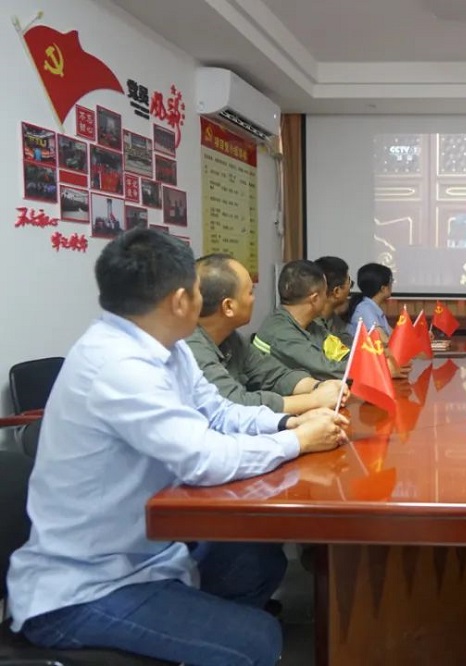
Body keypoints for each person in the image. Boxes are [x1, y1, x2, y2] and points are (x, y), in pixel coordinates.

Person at [6, 229, 350, 665]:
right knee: (258, 638)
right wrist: (297, 441)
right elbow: (204, 458)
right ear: (180, 299)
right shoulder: (117, 365)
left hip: (148, 554)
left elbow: (220, 413)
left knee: (254, 560)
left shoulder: (168, 347)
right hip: (84, 589)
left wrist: (289, 422)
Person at [187, 253, 350, 414]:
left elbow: (273, 374)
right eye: (250, 292)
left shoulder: (230, 339)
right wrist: (313, 400)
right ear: (228, 306)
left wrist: (318, 386)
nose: (254, 299)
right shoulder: (191, 348)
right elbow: (234, 405)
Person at [254, 260, 351, 380]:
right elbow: (327, 370)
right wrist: (363, 369)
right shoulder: (280, 333)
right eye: (325, 293)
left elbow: (341, 353)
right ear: (315, 299)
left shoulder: (312, 325)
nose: (326, 298)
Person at [347, 262, 395, 340]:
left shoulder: (371, 306)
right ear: (383, 288)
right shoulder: (365, 309)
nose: (392, 284)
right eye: (391, 281)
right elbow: (383, 341)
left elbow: (395, 336)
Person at [314, 255, 354, 347]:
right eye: (350, 284)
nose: (349, 290)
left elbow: (349, 346)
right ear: (337, 291)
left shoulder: (334, 320)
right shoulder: (311, 324)